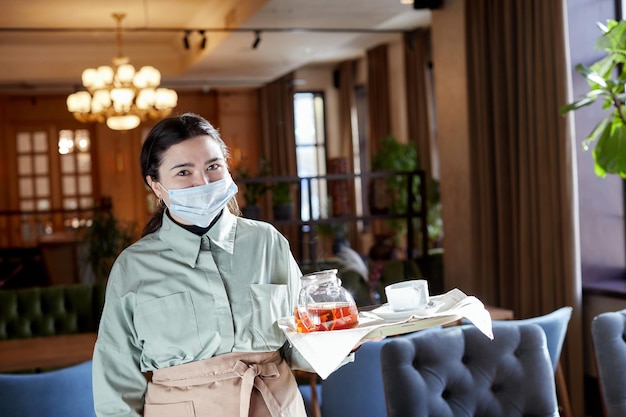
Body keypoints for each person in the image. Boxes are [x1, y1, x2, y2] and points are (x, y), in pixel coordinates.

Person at [92, 113, 320, 417]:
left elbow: (297, 341)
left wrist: (340, 343)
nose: (203, 181)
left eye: (213, 166)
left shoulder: (266, 241)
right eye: (184, 172)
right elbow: (115, 380)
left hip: (276, 406)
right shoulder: (133, 267)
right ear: (156, 185)